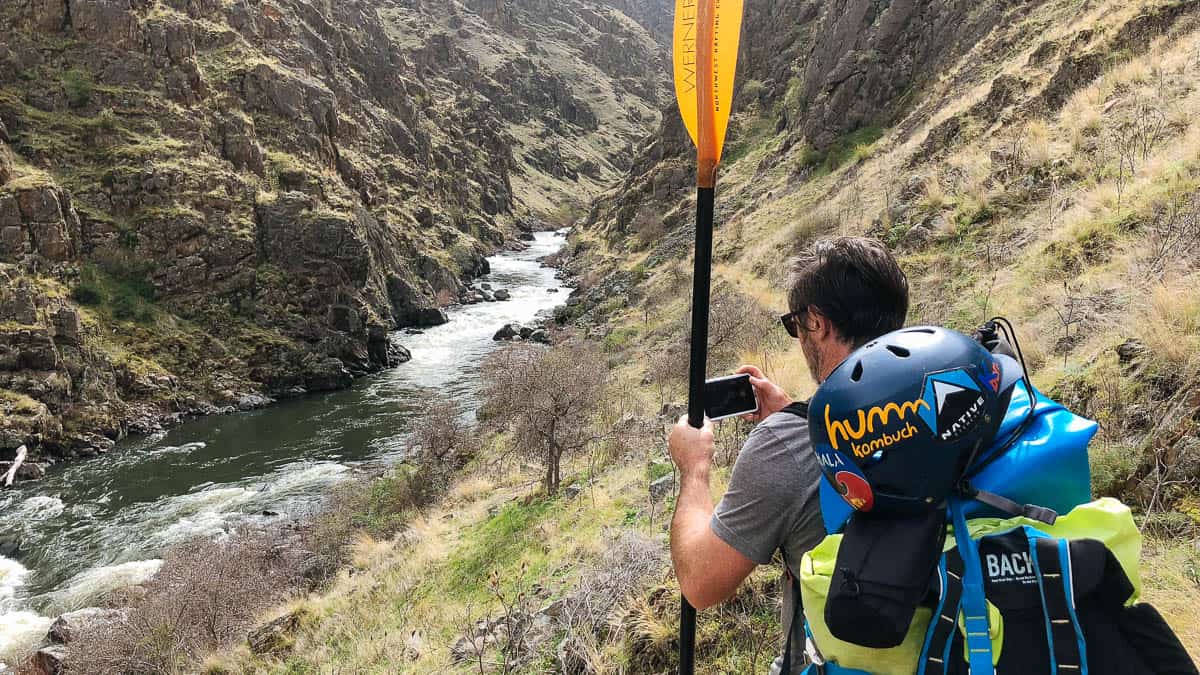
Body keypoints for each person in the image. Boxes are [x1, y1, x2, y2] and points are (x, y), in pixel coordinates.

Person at [667, 236, 910, 672]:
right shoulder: (952, 402)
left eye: (795, 324)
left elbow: (701, 584)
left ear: (816, 322)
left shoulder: (786, 447)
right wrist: (800, 413)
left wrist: (694, 470)